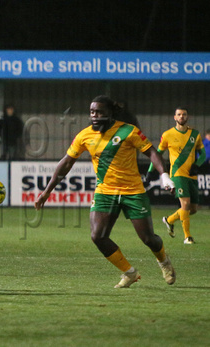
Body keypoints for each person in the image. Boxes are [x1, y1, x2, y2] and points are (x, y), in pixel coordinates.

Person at [34, 95, 176, 289]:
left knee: (148, 238)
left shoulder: (128, 131)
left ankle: (164, 262)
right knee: (97, 236)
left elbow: (152, 152)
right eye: (92, 111)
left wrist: (164, 175)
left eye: (100, 112)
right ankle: (129, 273)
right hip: (105, 192)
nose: (95, 115)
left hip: (133, 191)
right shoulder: (84, 135)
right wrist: (47, 191)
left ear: (110, 113)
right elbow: (66, 163)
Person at [146, 107, 206, 245]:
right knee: (185, 205)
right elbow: (157, 154)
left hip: (191, 175)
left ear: (187, 117)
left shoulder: (194, 134)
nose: (182, 117)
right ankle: (187, 237)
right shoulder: (167, 135)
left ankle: (169, 220)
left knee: (193, 209)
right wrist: (150, 171)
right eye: (179, 114)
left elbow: (202, 154)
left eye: (184, 114)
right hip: (177, 174)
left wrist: (197, 165)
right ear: (175, 117)